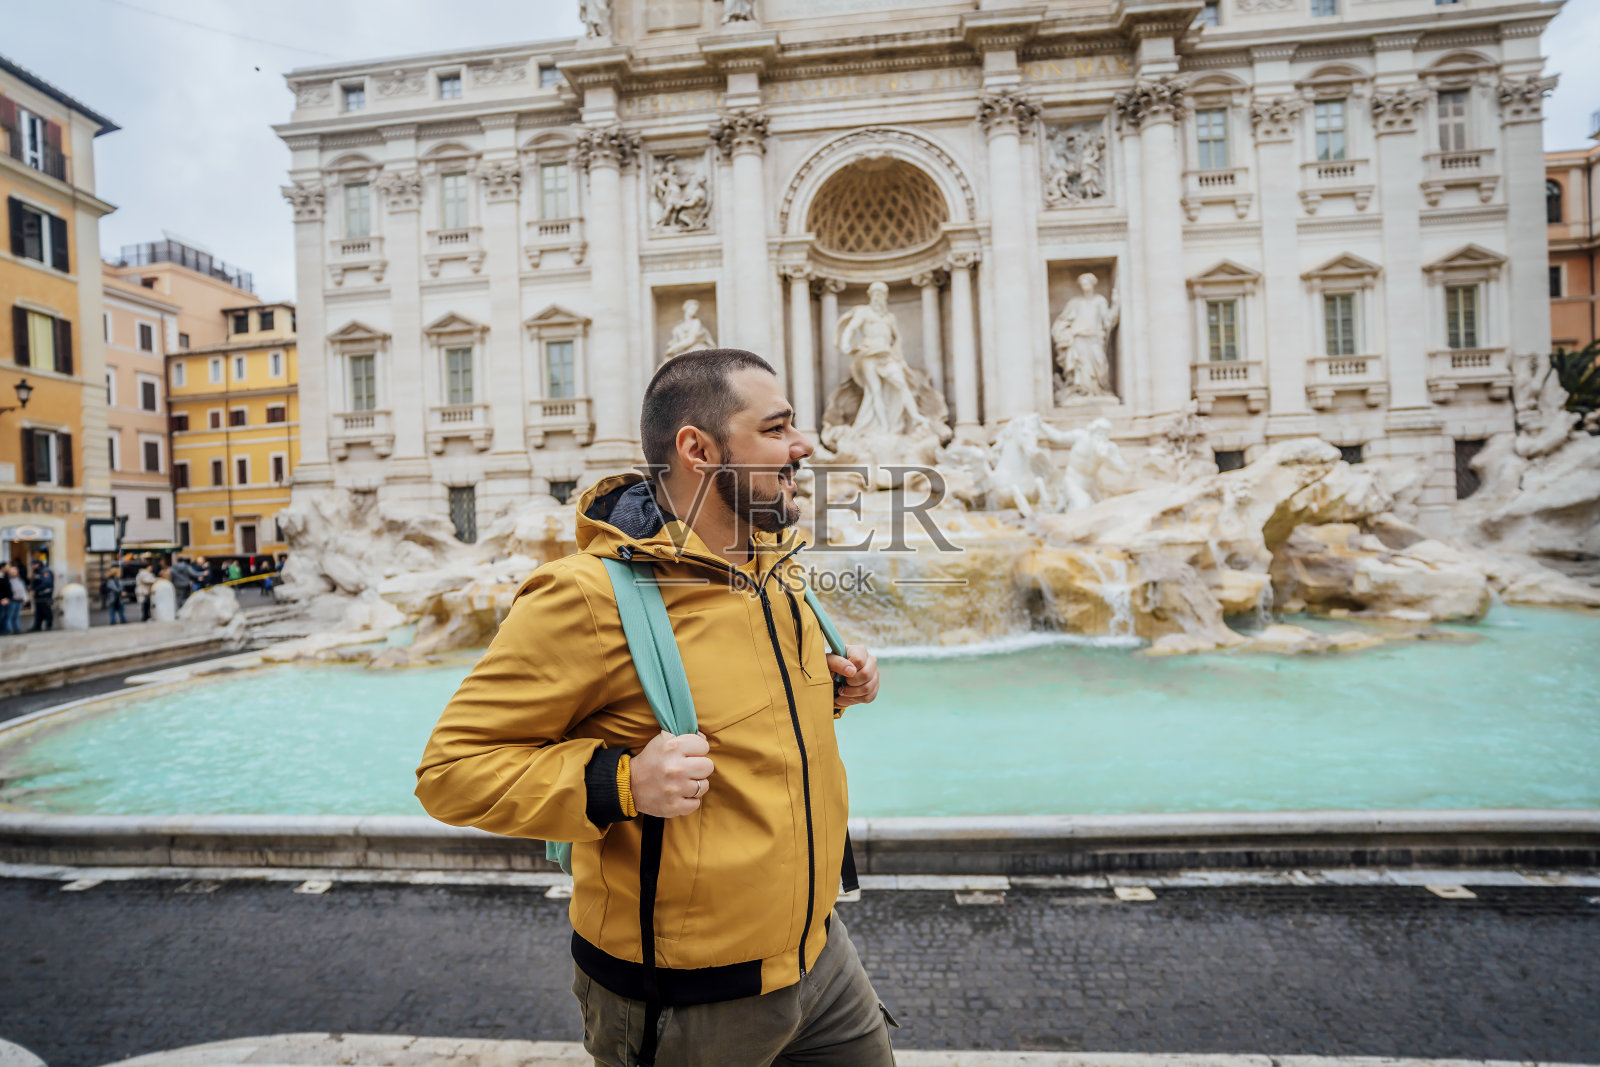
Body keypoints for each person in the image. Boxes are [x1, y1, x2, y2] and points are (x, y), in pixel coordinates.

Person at [416, 348, 891, 1067]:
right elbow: (451, 769)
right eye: (778, 428)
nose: (804, 446)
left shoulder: (773, 568)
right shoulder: (584, 596)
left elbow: (740, 719)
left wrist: (829, 692)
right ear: (698, 449)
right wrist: (621, 783)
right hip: (686, 1000)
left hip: (822, 957)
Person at [29, 559, 55, 631]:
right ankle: (37, 626)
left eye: (33, 565)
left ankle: (48, 625)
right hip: (38, 595)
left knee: (46, 610)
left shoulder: (45, 571)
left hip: (45, 594)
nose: (32, 566)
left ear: (37, 564)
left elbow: (47, 583)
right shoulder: (36, 572)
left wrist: (36, 589)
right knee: (38, 612)